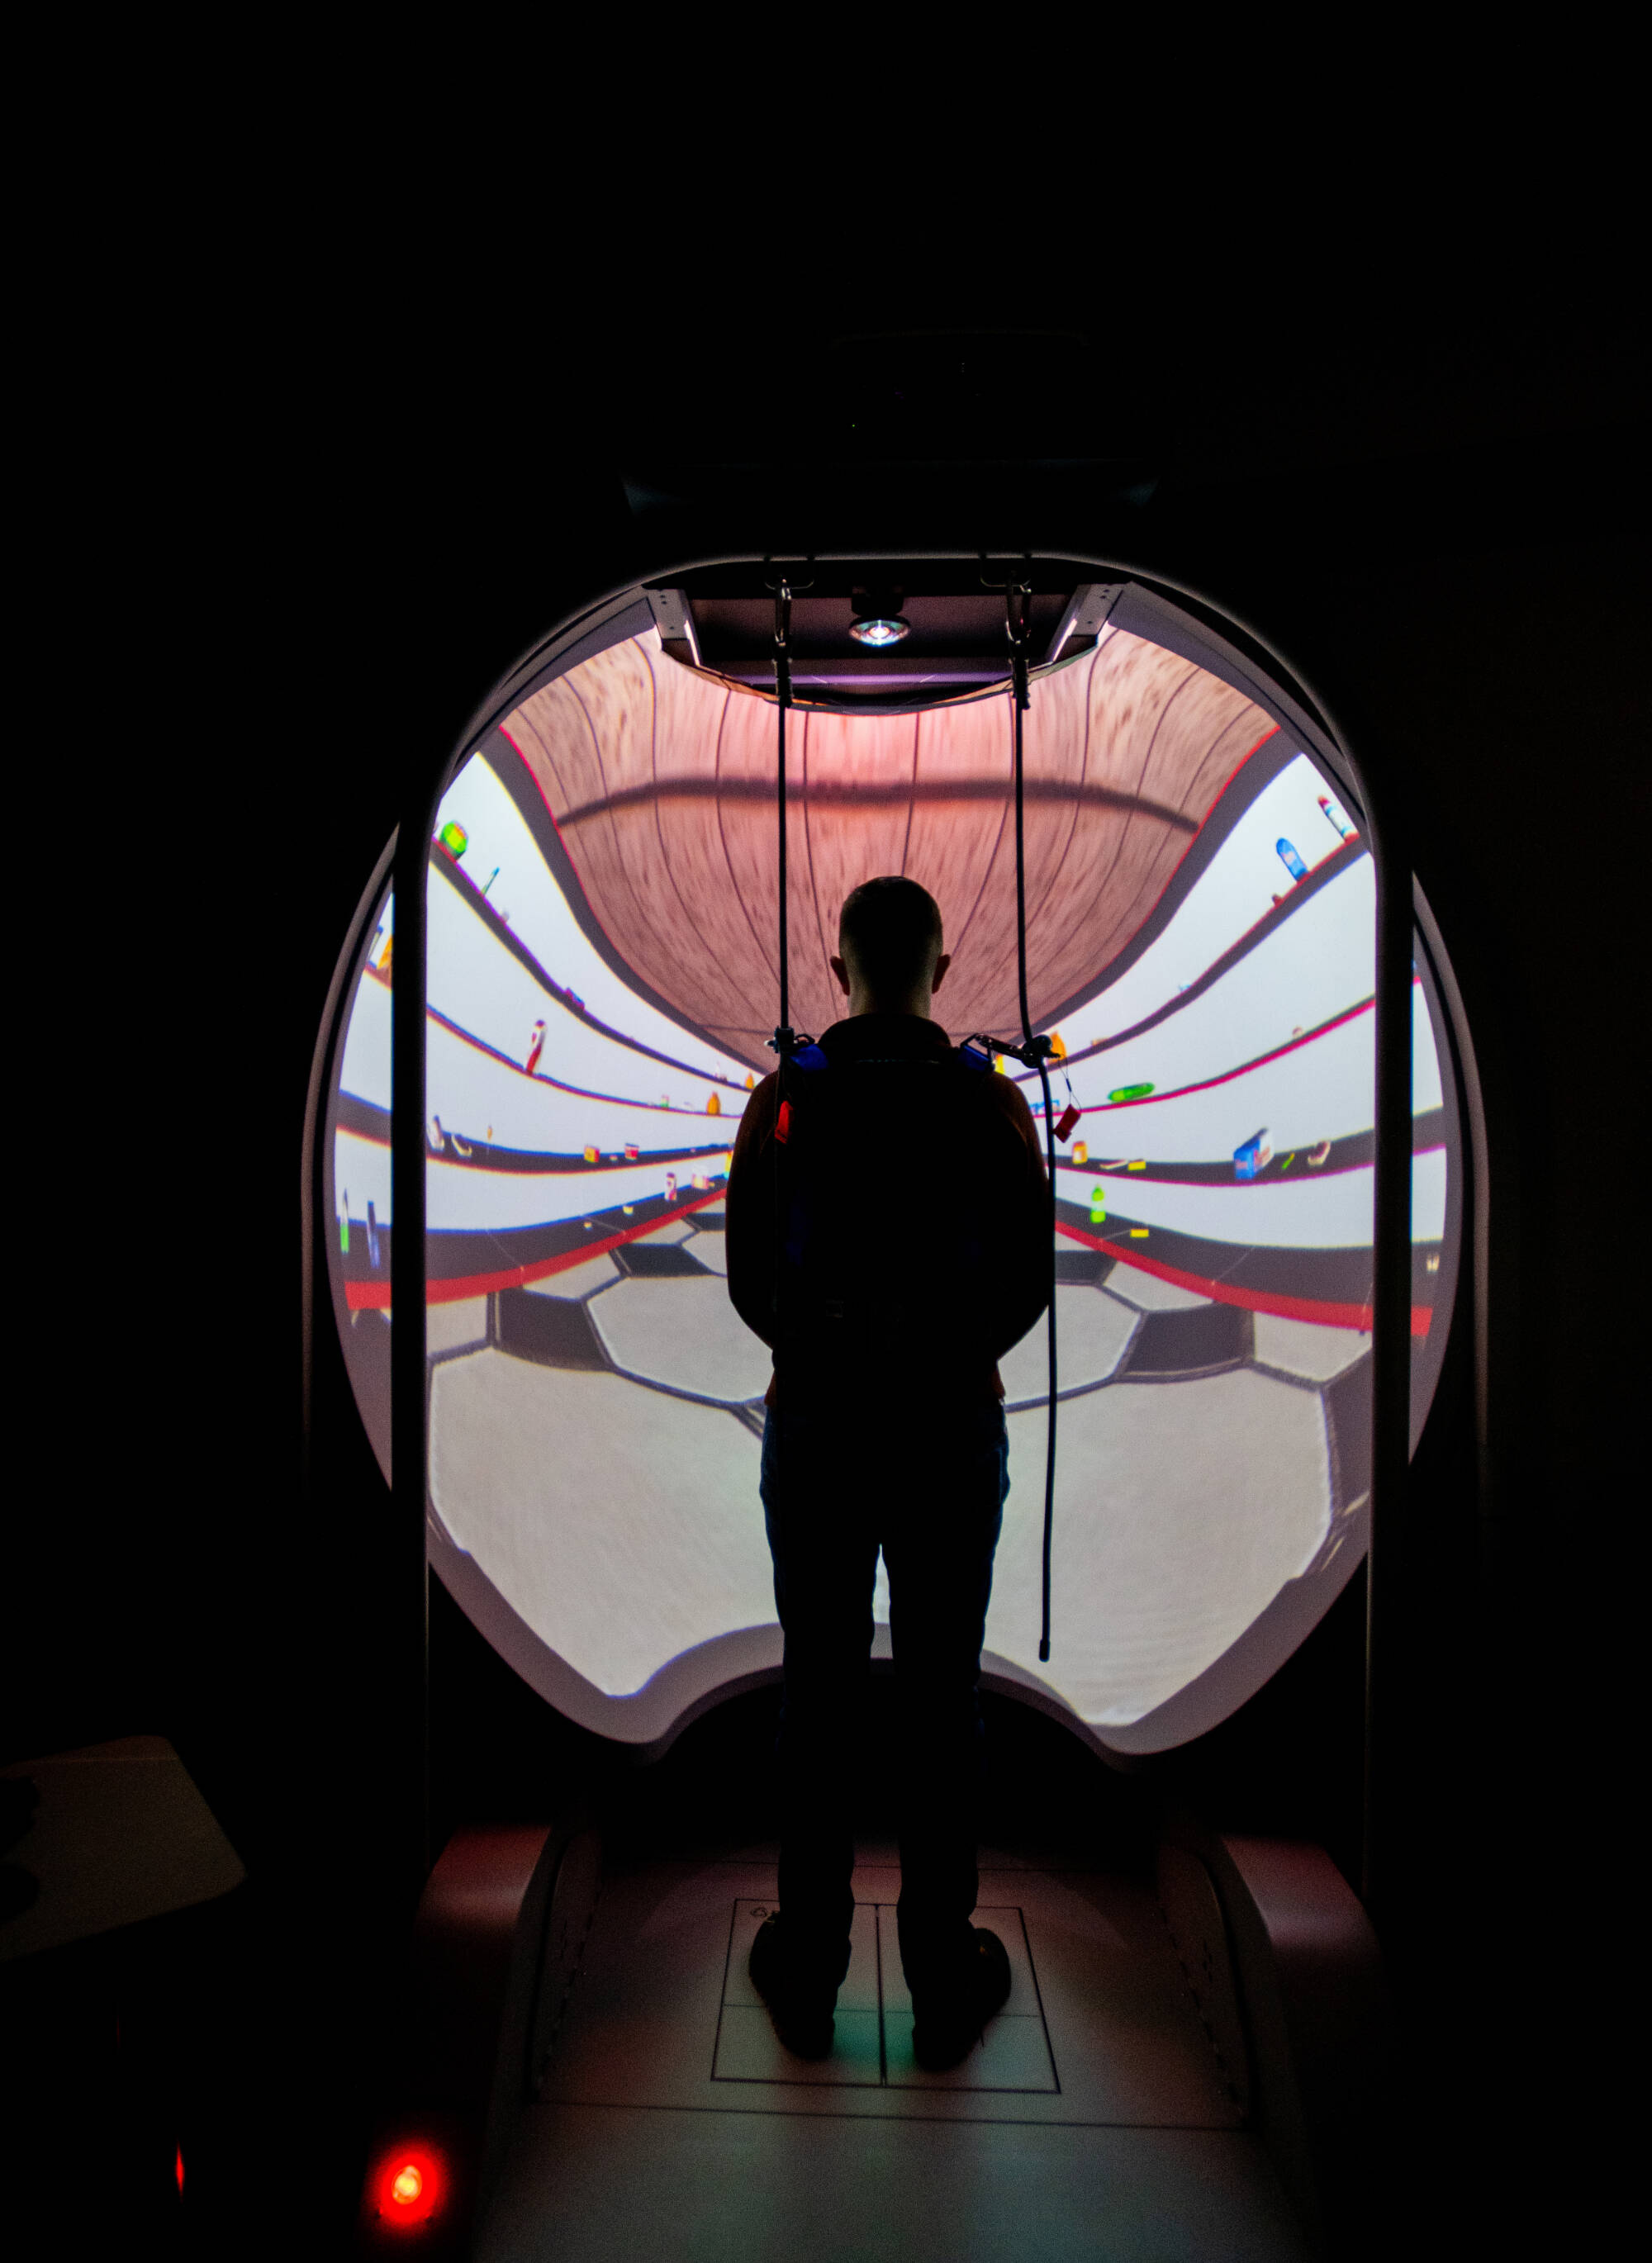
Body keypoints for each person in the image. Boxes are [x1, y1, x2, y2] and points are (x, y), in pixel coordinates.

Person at [725, 876, 1051, 2071]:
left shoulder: (786, 1098)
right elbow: (1023, 1283)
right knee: (939, 1697)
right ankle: (939, 1977)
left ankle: (807, 1971)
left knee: (818, 1692)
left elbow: (750, 1281)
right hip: (949, 1433)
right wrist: (947, 1360)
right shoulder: (987, 1101)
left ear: (838, 969)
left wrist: (825, 1358)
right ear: (942, 967)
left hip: (816, 1429)